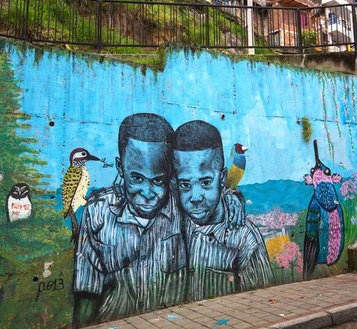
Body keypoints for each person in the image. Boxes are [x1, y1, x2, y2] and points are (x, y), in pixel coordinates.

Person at [73, 113, 186, 325]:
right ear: (120, 167)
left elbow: (213, 196)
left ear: (170, 174)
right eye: (136, 178)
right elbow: (86, 293)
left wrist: (233, 197)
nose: (147, 192)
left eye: (158, 180)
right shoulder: (98, 213)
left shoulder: (183, 207)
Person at [172, 120, 273, 300]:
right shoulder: (171, 222)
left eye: (206, 182)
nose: (195, 197)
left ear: (222, 178)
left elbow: (263, 301)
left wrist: (232, 194)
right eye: (185, 184)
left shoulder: (245, 240)